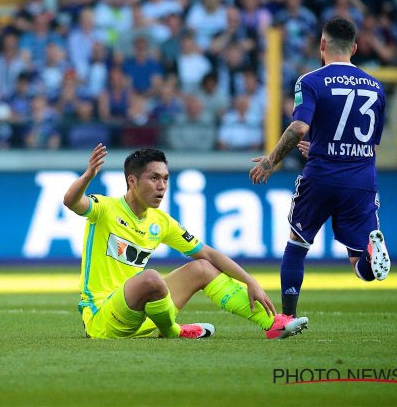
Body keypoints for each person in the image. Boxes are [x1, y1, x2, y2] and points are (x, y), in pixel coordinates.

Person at [64, 145, 309, 340]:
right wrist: (88, 176)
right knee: (150, 279)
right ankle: (172, 330)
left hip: (143, 318)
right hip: (104, 319)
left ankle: (272, 324)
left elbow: (209, 254)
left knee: (202, 267)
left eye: (165, 179)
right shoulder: (105, 209)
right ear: (132, 181)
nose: (162, 186)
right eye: (154, 178)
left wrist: (250, 281)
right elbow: (71, 201)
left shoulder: (161, 222)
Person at [249, 17, 390, 319]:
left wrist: (270, 160)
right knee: (360, 267)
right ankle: (370, 252)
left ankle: (286, 317)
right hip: (362, 179)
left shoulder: (310, 81)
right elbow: (370, 143)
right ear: (354, 48)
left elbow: (299, 128)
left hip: (322, 176)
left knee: (297, 243)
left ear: (322, 45)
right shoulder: (376, 86)